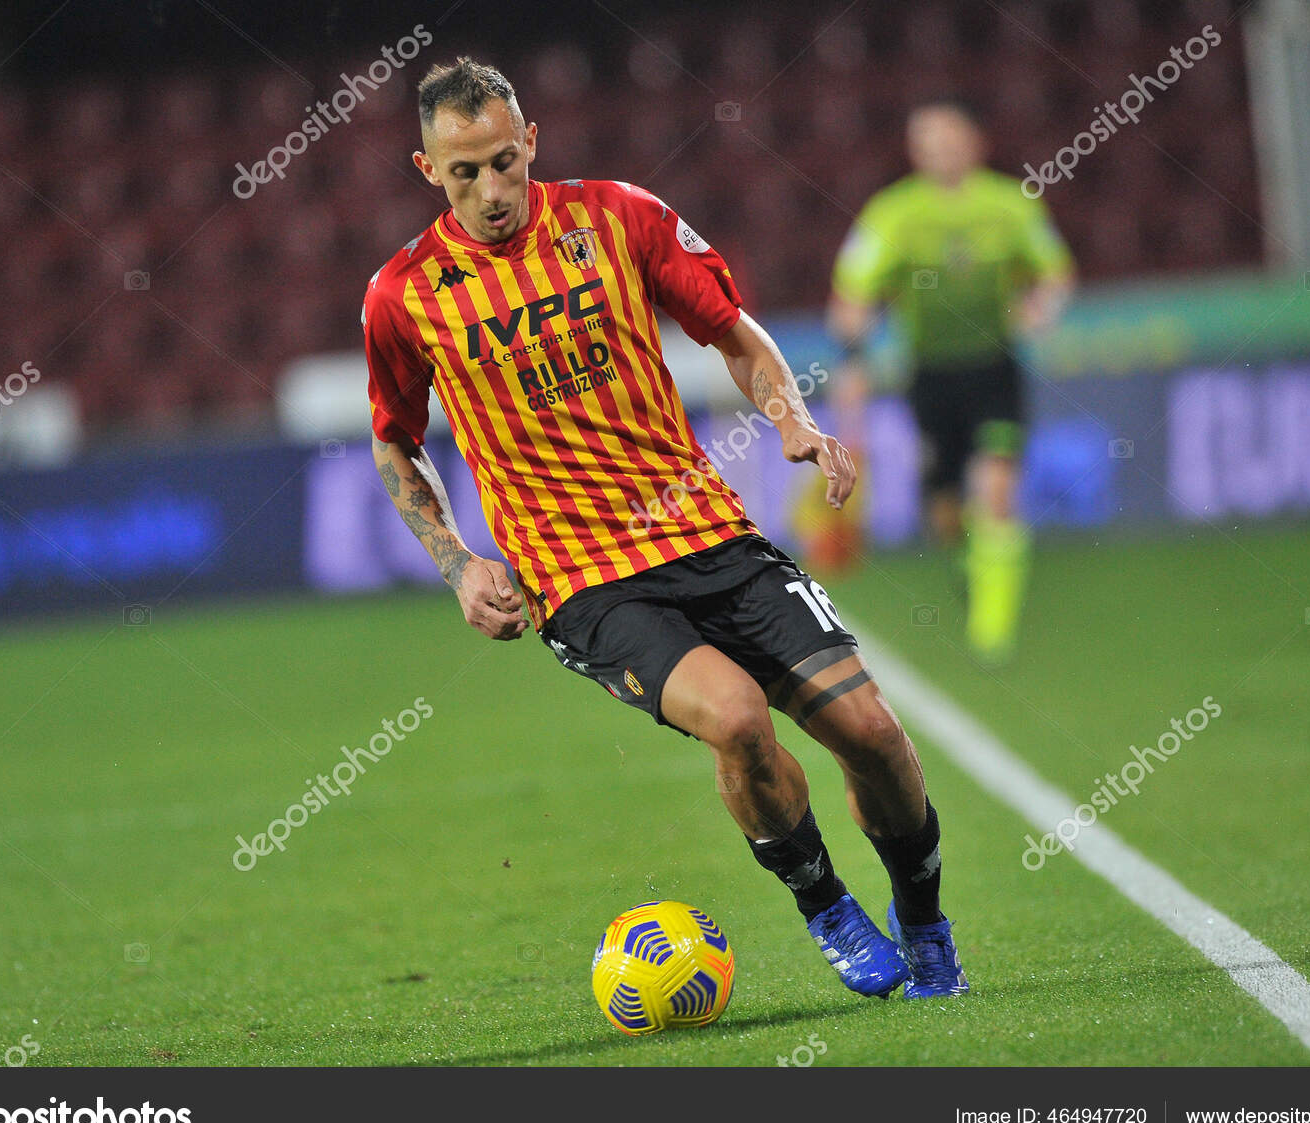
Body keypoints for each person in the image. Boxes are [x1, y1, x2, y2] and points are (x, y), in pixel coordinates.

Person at [362, 57, 967, 999]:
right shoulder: (404, 295)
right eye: (463, 173)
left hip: (705, 531)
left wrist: (792, 419)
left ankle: (925, 925)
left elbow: (733, 330)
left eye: (502, 163)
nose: (491, 191)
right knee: (738, 719)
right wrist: (457, 564)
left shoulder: (618, 216)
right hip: (584, 579)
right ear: (425, 170)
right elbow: (396, 444)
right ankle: (825, 902)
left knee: (874, 734)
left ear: (531, 145)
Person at [828, 99, 1074, 661]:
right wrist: (852, 360)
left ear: (974, 141)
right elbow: (852, 297)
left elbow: (1054, 272)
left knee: (995, 486)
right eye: (927, 140)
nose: (939, 149)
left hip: (994, 368)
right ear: (915, 152)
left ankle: (993, 628)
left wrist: (1042, 306)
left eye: (949, 137)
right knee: (944, 509)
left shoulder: (1011, 205)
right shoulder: (891, 214)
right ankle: (970, 562)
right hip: (930, 376)